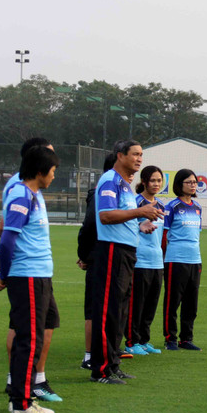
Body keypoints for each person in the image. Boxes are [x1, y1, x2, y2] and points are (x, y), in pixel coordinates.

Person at [0, 137, 62, 403]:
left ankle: (25, 396)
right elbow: (8, 237)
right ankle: (21, 402)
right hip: (27, 275)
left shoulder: (33, 194)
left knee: (34, 338)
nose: (55, 175)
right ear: (40, 170)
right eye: (52, 170)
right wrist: (4, 273)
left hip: (37, 274)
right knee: (28, 341)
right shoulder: (20, 193)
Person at [90, 140, 163, 383]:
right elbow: (106, 215)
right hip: (112, 251)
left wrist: (140, 223)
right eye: (134, 154)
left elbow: (123, 217)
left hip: (127, 251)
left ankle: (113, 364)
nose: (139, 159)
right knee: (108, 311)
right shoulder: (110, 180)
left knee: (120, 311)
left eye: (141, 155)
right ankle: (100, 370)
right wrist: (140, 212)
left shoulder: (125, 185)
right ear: (120, 156)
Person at [78, 153, 117, 369]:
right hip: (100, 257)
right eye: (135, 156)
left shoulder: (121, 188)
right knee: (95, 309)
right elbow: (91, 225)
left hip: (114, 257)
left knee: (111, 308)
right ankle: (91, 356)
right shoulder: (103, 190)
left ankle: (108, 353)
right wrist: (85, 255)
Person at [125, 165, 166, 355]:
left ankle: (144, 339)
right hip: (139, 261)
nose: (156, 184)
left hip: (157, 261)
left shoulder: (161, 206)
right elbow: (124, 227)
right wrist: (139, 224)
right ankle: (132, 341)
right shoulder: (135, 202)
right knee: (137, 304)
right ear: (144, 182)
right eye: (152, 180)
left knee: (151, 304)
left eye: (159, 180)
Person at [162, 169, 204, 351]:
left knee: (191, 302)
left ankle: (186, 338)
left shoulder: (197, 208)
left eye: (195, 182)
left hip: (195, 259)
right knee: (172, 301)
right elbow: (164, 235)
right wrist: (165, 256)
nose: (193, 184)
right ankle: (170, 338)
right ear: (180, 184)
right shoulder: (172, 207)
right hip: (175, 259)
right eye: (189, 182)